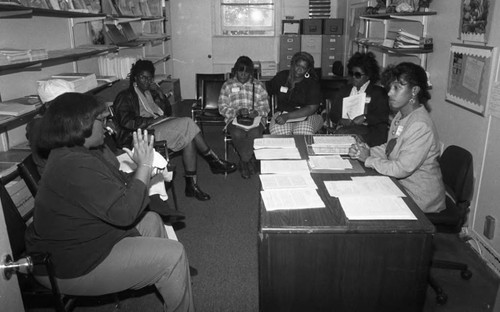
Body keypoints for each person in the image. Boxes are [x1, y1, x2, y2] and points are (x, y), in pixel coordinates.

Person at [25, 93, 194, 311]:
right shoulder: (74, 165)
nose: (107, 126)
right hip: (72, 265)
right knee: (175, 256)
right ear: (81, 124)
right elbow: (125, 214)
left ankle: (163, 278)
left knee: (151, 220)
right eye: (102, 120)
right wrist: (143, 167)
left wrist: (146, 170)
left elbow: (119, 184)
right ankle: (169, 272)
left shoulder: (78, 153)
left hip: (84, 244)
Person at [113, 59, 237, 201]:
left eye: (149, 78)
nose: (146, 81)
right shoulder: (125, 96)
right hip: (143, 134)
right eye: (143, 77)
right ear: (135, 77)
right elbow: (125, 121)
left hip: (158, 125)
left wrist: (160, 94)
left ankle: (192, 185)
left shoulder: (149, 92)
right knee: (188, 123)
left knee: (189, 138)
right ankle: (213, 161)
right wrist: (149, 121)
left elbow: (166, 111)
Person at [348, 62, 445, 213]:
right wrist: (367, 150)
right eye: (390, 87)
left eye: (397, 88)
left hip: (419, 200)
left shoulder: (420, 126)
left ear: (414, 91)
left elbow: (401, 169)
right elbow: (391, 148)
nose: (389, 93)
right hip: (399, 187)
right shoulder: (401, 115)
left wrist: (368, 159)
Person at [218, 56, 269, 179]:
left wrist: (257, 112)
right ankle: (248, 159)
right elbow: (222, 107)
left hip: (256, 120)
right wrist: (236, 111)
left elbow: (266, 108)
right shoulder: (228, 85)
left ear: (251, 73)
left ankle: (243, 161)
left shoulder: (258, 85)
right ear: (236, 70)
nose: (243, 75)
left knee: (255, 133)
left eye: (247, 72)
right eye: (241, 71)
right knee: (238, 134)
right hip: (234, 119)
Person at [329, 52, 390, 147]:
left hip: (370, 130)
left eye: (357, 75)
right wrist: (341, 120)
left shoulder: (378, 92)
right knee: (342, 134)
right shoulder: (344, 90)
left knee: (343, 134)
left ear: (368, 75)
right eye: (351, 73)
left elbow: (383, 116)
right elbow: (333, 114)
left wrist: (365, 117)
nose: (353, 77)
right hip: (347, 127)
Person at [266, 51, 323, 135]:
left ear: (307, 70)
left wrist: (288, 116)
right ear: (292, 64)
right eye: (297, 65)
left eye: (303, 67)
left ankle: (303, 148)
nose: (299, 69)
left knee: (303, 131)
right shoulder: (281, 77)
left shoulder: (312, 83)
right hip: (282, 113)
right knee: (278, 130)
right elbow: (266, 89)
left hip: (308, 115)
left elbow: (311, 108)